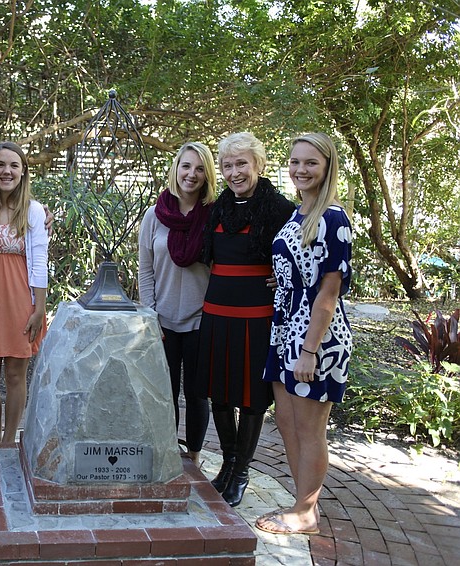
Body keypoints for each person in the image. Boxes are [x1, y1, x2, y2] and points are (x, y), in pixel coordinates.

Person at [255, 133, 352, 535]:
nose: (300, 170)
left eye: (310, 162)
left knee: (310, 428)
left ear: (327, 167)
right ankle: (300, 503)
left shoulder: (333, 217)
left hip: (317, 339)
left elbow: (329, 290)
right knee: (286, 421)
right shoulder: (298, 215)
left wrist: (310, 350)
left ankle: (307, 513)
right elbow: (300, 272)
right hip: (284, 332)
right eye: (295, 162)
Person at [197, 132, 295, 507]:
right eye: (228, 165)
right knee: (219, 395)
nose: (235, 172)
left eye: (242, 164)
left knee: (252, 398)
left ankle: (241, 472)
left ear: (259, 165)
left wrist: (282, 274)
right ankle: (226, 463)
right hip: (216, 313)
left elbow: (302, 261)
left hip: (258, 316)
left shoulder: (281, 210)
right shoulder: (218, 209)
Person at [138, 142, 216, 467]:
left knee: (198, 395)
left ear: (207, 174)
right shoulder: (155, 215)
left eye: (199, 168)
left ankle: (194, 456)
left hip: (201, 320)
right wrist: (149, 315)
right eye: (186, 166)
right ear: (176, 169)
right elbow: (144, 269)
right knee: (163, 394)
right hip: (163, 321)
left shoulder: (214, 216)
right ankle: (167, 451)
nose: (191, 174)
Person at [0, 141, 48, 444]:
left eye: (13, 165)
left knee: (16, 377)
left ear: (23, 171)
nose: (7, 171)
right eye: (0, 164)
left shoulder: (32, 211)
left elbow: (40, 259)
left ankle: (7, 442)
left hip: (21, 302)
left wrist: (39, 308)